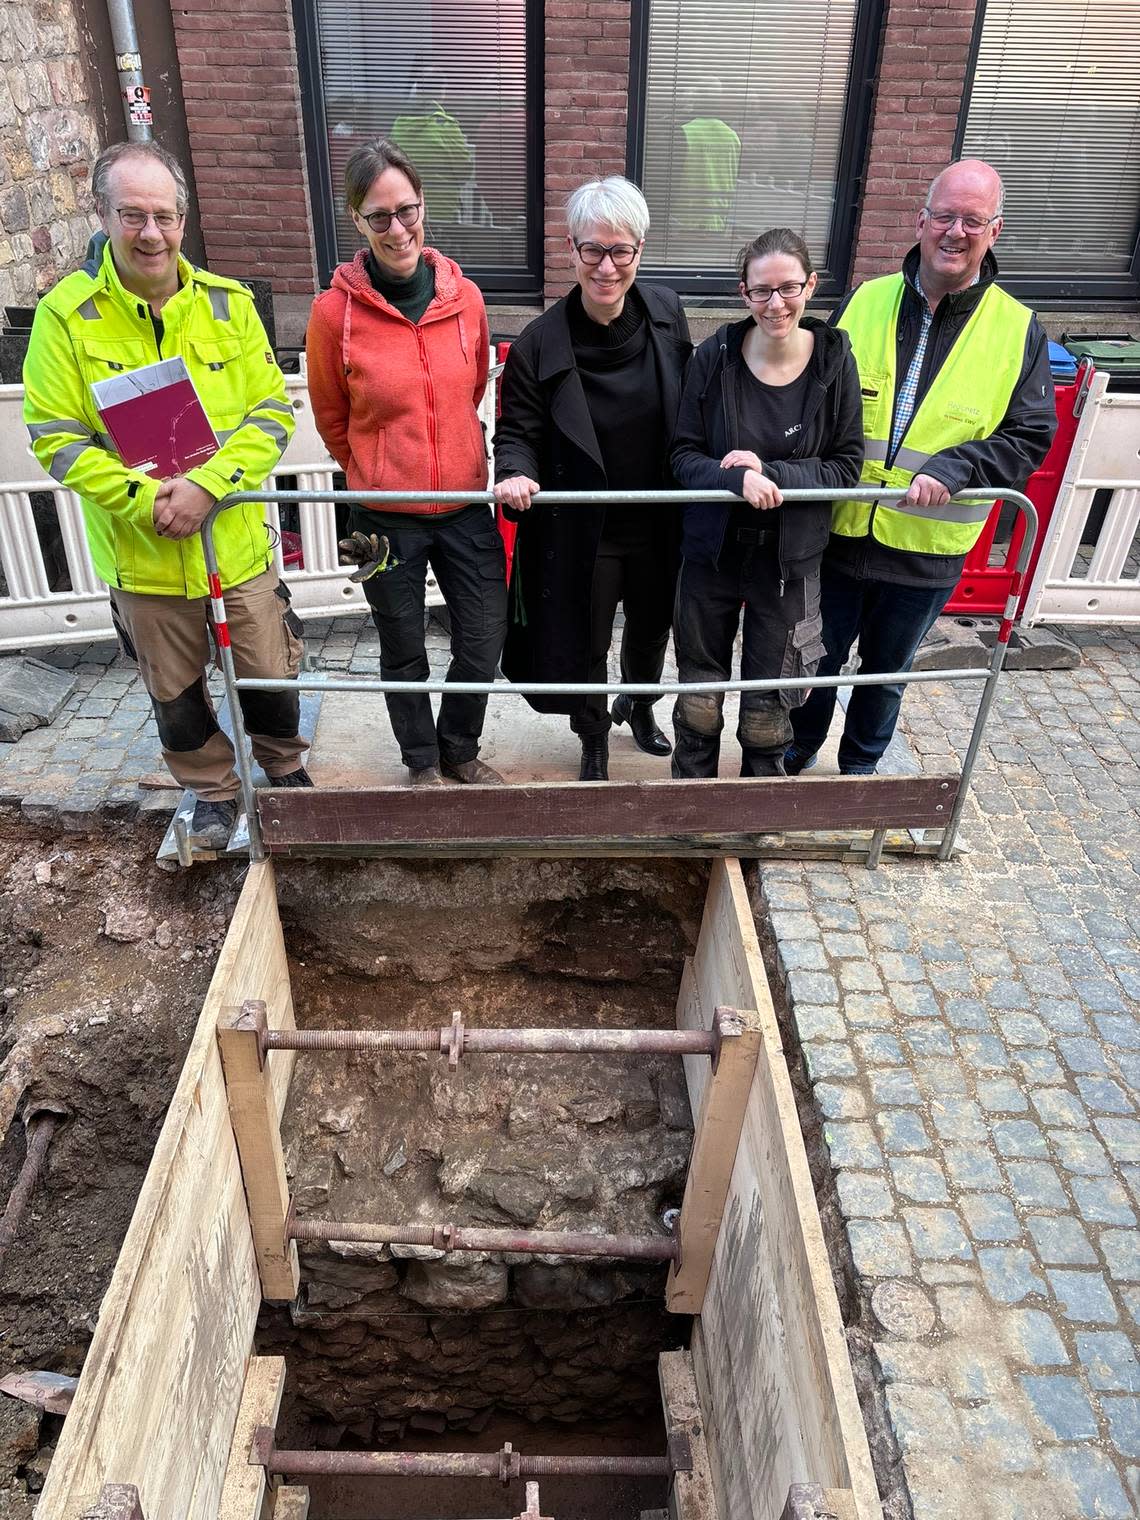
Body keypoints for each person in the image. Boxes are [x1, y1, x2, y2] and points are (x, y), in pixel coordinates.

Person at [23, 140, 309, 852]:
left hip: (234, 545)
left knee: (269, 671)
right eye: (132, 216)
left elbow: (270, 415)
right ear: (103, 214)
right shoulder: (67, 317)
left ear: (183, 219)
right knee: (176, 693)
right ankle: (211, 791)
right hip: (144, 556)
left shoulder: (226, 305)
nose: (150, 233)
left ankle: (285, 769)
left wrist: (208, 486)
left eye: (164, 216)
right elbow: (57, 439)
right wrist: (147, 501)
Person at [786, 158, 1057, 776]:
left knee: (886, 673)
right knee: (814, 660)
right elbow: (812, 396)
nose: (954, 232)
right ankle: (795, 757)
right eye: (943, 216)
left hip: (926, 545)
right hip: (840, 530)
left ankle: (858, 773)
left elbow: (1031, 433)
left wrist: (960, 466)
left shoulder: (1018, 329)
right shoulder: (865, 300)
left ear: (996, 230)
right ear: (920, 221)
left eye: (972, 220)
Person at [306, 138, 505, 787]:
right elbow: (332, 417)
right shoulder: (332, 314)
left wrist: (451, 456)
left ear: (424, 207)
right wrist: (374, 468)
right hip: (376, 515)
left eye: (408, 210)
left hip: (465, 507)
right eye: (380, 215)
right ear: (356, 220)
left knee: (482, 637)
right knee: (401, 647)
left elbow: (471, 389)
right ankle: (420, 760)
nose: (398, 228)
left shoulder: (465, 298)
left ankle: (458, 746)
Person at [494, 176, 692, 781]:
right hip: (586, 525)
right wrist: (515, 472)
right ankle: (593, 732)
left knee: (654, 628)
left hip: (659, 516)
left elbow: (694, 402)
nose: (607, 267)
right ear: (571, 248)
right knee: (588, 637)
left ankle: (639, 704)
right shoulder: (539, 342)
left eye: (621, 250)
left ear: (639, 250)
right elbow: (517, 431)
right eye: (593, 250)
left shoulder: (666, 313)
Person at [670, 229, 864, 778]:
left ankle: (760, 797)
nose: (775, 303)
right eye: (761, 291)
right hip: (713, 552)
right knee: (700, 689)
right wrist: (733, 480)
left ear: (811, 287)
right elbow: (682, 456)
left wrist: (770, 474)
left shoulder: (833, 363)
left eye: (788, 288)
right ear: (744, 293)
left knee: (771, 693)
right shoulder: (715, 358)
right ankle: (691, 791)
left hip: (790, 559)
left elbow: (846, 466)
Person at [390, 70, 473, 226]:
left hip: (407, 210)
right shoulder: (446, 126)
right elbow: (464, 171)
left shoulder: (398, 126)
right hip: (444, 209)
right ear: (442, 91)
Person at [675, 84, 741, 234]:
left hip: (686, 220)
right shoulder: (732, 137)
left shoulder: (684, 132)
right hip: (718, 220)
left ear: (697, 99)